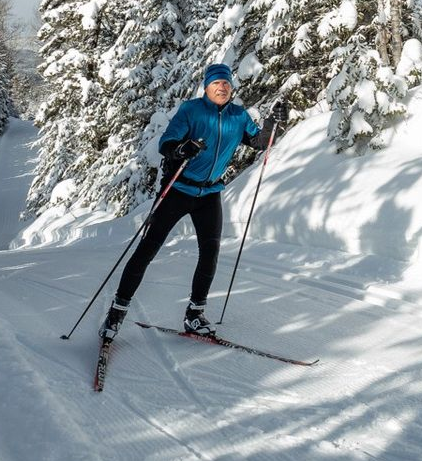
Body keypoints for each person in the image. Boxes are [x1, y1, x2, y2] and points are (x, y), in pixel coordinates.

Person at [99, 63, 287, 341]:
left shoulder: (239, 115)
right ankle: (116, 312)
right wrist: (180, 149)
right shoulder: (191, 110)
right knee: (147, 250)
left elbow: (259, 141)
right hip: (178, 190)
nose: (222, 87)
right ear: (206, 87)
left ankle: (194, 315)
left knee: (209, 253)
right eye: (216, 84)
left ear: (231, 87)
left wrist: (275, 123)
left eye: (226, 84)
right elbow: (167, 143)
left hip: (209, 194)